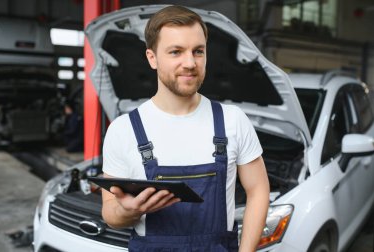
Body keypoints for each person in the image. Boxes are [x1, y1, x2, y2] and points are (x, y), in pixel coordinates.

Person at [101, 5, 269, 252]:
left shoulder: (232, 121)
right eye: (176, 52)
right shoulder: (123, 130)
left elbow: (259, 190)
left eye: (198, 51)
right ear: (152, 58)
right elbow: (110, 212)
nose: (190, 63)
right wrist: (128, 211)